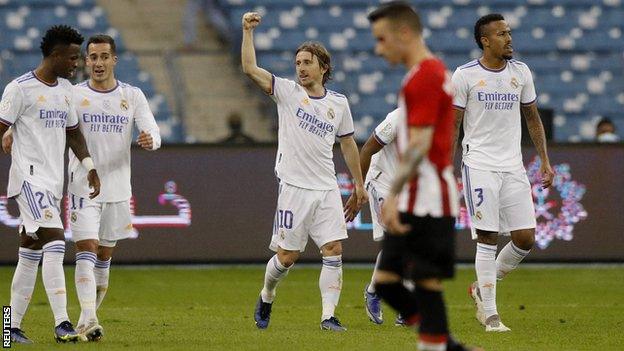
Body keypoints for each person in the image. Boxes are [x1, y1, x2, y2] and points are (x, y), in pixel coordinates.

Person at [241, 12, 367, 331]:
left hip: (326, 188)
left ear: (323, 67)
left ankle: (328, 316)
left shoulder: (338, 104)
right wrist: (247, 32)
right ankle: (267, 295)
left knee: (334, 249)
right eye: (298, 62)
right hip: (294, 187)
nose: (300, 68)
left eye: (307, 62)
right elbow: (249, 68)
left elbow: (349, 145)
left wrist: (359, 184)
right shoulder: (287, 93)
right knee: (287, 258)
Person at [368, 2, 481, 350]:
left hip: (429, 198)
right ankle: (447, 344)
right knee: (387, 282)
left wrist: (393, 193)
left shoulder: (427, 76)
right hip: (419, 194)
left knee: (424, 283)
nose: (378, 48)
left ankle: (440, 343)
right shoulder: (425, 74)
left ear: (404, 33)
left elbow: (419, 144)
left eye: (383, 39)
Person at [451, 13, 554, 332]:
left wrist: (545, 161)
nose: (509, 38)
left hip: (512, 165)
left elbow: (533, 119)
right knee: (488, 236)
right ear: (485, 40)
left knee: (525, 238)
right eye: (501, 34)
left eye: (509, 33)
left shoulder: (521, 72)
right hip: (479, 164)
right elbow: (453, 125)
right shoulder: (464, 75)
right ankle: (491, 315)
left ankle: (482, 287)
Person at [0, 25, 101, 344]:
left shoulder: (66, 91)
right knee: (56, 242)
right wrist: (9, 133)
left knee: (28, 254)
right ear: (55, 55)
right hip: (28, 180)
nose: (77, 63)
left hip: (52, 183)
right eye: (73, 57)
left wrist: (89, 166)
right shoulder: (19, 89)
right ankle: (63, 323)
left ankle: (7, 329)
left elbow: (73, 132)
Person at [69, 34, 161, 342]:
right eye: (92, 57)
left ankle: (86, 320)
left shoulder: (132, 96)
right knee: (87, 248)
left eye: (103, 57)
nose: (97, 63)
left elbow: (152, 129)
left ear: (114, 60)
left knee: (105, 255)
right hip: (82, 185)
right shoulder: (73, 94)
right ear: (86, 61)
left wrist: (150, 140)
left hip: (118, 188)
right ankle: (90, 318)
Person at [344, 108, 402, 325]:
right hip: (381, 181)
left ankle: (375, 290)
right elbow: (367, 149)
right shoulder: (398, 118)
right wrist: (357, 190)